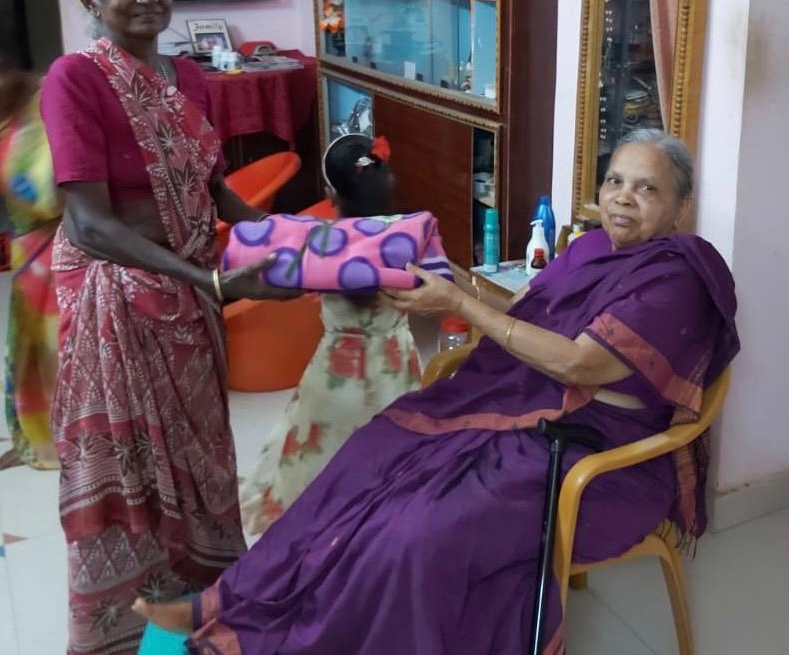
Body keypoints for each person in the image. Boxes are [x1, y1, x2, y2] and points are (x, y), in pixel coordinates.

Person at [135, 130, 740, 655]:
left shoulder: (678, 276)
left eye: (646, 189)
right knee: (370, 457)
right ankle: (228, 599)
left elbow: (582, 363)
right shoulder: (588, 249)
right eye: (615, 181)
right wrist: (453, 287)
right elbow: (527, 313)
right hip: (528, 409)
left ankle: (319, 637)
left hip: (595, 455)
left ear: (681, 205)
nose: (623, 199)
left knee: (415, 530)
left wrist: (456, 304)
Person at [40, 0, 296, 655]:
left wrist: (291, 240)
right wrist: (212, 279)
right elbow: (88, 225)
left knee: (201, 453)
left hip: (186, 299)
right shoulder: (76, 78)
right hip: (114, 300)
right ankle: (121, 627)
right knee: (131, 473)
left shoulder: (187, 77)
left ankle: (200, 602)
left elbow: (215, 189)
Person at [238, 134, 435, 535]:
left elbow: (283, 282)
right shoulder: (411, 235)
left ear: (331, 193)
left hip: (338, 377)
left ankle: (320, 532)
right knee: (389, 452)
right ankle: (378, 527)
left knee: (319, 460)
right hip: (395, 368)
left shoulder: (320, 243)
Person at [0, 59, 60, 470]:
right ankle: (35, 440)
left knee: (62, 348)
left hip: (67, 245)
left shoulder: (47, 101)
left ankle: (68, 445)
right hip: (28, 250)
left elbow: (48, 194)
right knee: (29, 349)